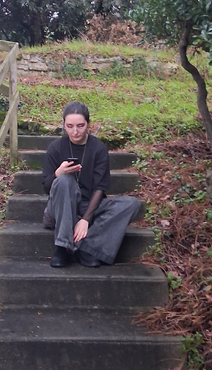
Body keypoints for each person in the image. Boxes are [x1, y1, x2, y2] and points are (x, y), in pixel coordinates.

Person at [41, 101, 142, 268]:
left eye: (80, 126)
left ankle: (88, 249)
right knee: (65, 180)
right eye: (70, 126)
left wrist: (85, 220)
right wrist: (58, 173)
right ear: (64, 125)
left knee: (131, 204)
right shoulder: (56, 147)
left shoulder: (98, 148)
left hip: (88, 207)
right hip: (59, 209)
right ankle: (62, 247)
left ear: (88, 124)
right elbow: (46, 187)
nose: (75, 131)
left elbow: (99, 188)